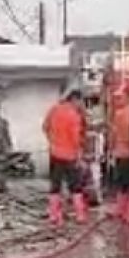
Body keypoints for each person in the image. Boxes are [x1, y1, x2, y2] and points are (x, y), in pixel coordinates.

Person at [43, 89, 88, 227]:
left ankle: (54, 216)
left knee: (55, 185)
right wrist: (80, 157)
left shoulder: (54, 109)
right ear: (75, 99)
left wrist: (52, 141)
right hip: (70, 156)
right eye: (81, 102)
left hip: (55, 153)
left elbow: (45, 127)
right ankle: (80, 215)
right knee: (75, 186)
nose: (81, 105)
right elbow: (76, 138)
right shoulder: (74, 115)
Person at [107, 88, 129, 222]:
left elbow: (113, 136)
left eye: (119, 98)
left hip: (122, 153)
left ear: (128, 98)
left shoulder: (120, 114)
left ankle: (123, 211)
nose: (116, 101)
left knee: (123, 183)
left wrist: (111, 149)